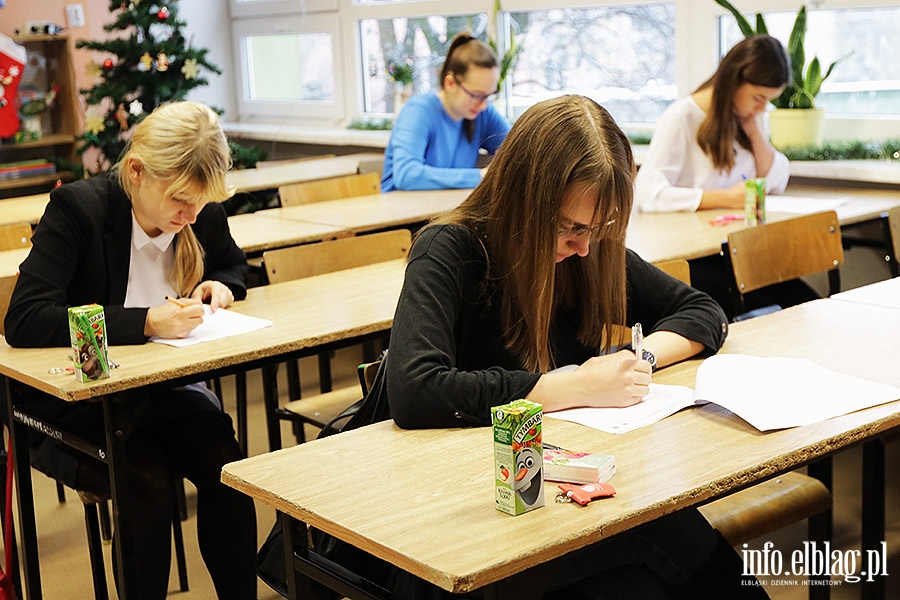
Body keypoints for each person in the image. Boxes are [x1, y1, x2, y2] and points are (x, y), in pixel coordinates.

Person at [381, 95, 765, 599]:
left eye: (598, 229)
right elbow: (414, 390)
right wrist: (569, 386)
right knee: (662, 534)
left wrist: (637, 363)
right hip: (451, 513)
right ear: (525, 200)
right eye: (572, 228)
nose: (585, 246)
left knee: (649, 560)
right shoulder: (449, 250)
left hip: (547, 489)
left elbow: (702, 312)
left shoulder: (588, 249)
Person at [4, 101, 257, 600]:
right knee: (146, 481)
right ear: (137, 172)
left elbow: (234, 267)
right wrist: (143, 322)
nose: (190, 218)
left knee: (227, 466)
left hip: (155, 387)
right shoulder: (78, 209)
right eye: (181, 202)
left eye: (201, 206)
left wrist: (217, 286)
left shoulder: (196, 208)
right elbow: (26, 319)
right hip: (77, 395)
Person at [634, 34, 790, 213]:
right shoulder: (681, 117)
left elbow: (776, 180)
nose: (763, 108)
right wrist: (727, 198)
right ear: (733, 82)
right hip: (692, 234)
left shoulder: (745, 118)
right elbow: (647, 194)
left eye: (768, 100)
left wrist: (754, 133)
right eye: (758, 98)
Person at [380, 32, 510, 192]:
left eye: (489, 96)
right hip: (406, 212)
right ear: (450, 83)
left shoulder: (481, 111)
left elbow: (518, 148)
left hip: (447, 211)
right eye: (476, 95)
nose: (483, 105)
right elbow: (407, 175)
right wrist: (480, 176)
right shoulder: (420, 110)